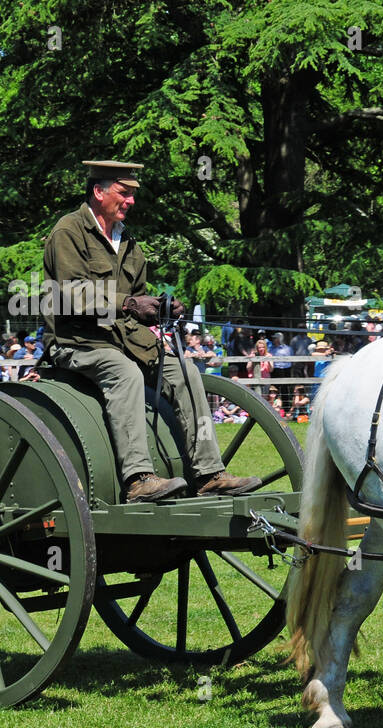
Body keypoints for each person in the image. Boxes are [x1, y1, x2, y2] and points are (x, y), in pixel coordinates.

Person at [42, 159, 260, 502]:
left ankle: (209, 474)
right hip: (78, 341)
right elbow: (71, 295)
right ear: (99, 191)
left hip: (126, 340)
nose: (130, 201)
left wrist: (158, 308)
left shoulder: (128, 242)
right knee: (125, 373)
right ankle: (138, 478)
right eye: (123, 193)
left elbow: (136, 298)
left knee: (186, 372)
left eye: (132, 195)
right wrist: (129, 305)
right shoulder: (68, 232)